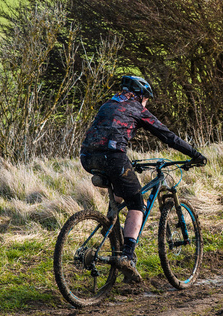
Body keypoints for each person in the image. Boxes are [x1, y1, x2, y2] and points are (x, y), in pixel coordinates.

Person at [79, 75, 206, 283]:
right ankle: (128, 256)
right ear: (141, 96)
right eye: (146, 99)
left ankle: (110, 226)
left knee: (121, 191)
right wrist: (195, 154)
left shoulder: (108, 104)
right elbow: (168, 136)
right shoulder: (137, 108)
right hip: (112, 157)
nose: (146, 103)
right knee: (137, 203)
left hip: (87, 157)